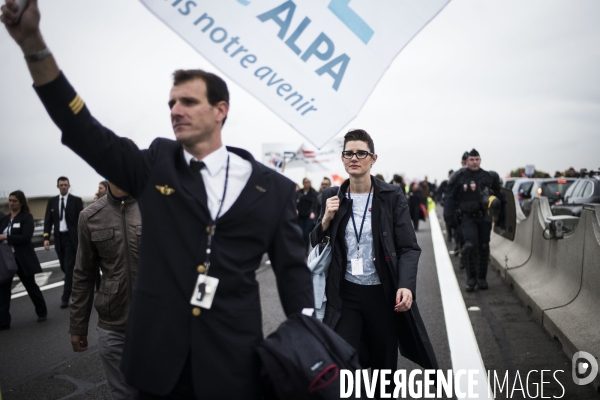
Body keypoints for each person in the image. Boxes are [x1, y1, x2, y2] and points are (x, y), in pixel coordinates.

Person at [1, 3, 313, 398]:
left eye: (187, 102)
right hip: (155, 368)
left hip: (234, 366)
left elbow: (293, 275)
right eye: (171, 103)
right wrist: (33, 44)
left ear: (221, 111)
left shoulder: (274, 190)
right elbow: (83, 130)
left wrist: (309, 344)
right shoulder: (154, 166)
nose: (175, 111)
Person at [310, 129, 438, 396]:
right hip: (345, 296)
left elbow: (408, 247)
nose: (354, 157)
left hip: (383, 295)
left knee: (384, 373)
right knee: (343, 366)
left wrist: (406, 286)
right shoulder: (331, 197)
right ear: (342, 158)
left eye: (361, 153)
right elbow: (315, 242)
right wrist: (325, 221)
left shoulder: (391, 196)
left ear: (373, 158)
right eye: (348, 153)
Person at [70, 182, 140, 400]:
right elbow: (83, 274)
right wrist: (78, 325)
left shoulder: (155, 208)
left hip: (155, 325)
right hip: (113, 325)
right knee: (123, 395)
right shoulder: (90, 216)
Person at [445, 149, 501, 292]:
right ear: (467, 161)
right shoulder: (459, 177)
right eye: (472, 160)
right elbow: (450, 198)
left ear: (480, 160)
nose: (474, 162)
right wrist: (450, 218)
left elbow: (500, 197)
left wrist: (501, 218)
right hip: (467, 218)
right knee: (470, 246)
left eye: (477, 159)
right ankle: (471, 279)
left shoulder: (488, 176)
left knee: (483, 247)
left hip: (484, 218)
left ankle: (482, 278)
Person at [0, 190, 47, 330]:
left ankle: (42, 312)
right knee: (3, 291)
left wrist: (6, 237)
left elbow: (26, 237)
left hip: (22, 259)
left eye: (14, 201)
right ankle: (3, 321)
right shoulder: (4, 219)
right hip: (6, 260)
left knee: (31, 286)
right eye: (10, 200)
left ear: (21, 202)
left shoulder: (26, 218)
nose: (11, 203)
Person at [43, 176, 83, 308]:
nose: (63, 187)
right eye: (61, 185)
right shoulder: (53, 201)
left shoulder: (76, 201)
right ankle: (76, 283)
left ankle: (66, 297)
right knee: (64, 267)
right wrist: (46, 237)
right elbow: (48, 220)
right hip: (59, 238)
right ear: (58, 186)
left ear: (69, 186)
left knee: (70, 267)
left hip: (71, 238)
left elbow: (81, 220)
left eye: (66, 185)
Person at [296, 177, 318, 251]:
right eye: (305, 182)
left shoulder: (313, 192)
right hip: (301, 215)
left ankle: (305, 250)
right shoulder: (300, 192)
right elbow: (296, 202)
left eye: (308, 182)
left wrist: (313, 212)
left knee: (306, 233)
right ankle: (301, 249)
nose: (307, 184)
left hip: (309, 216)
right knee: (300, 233)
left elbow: (315, 204)